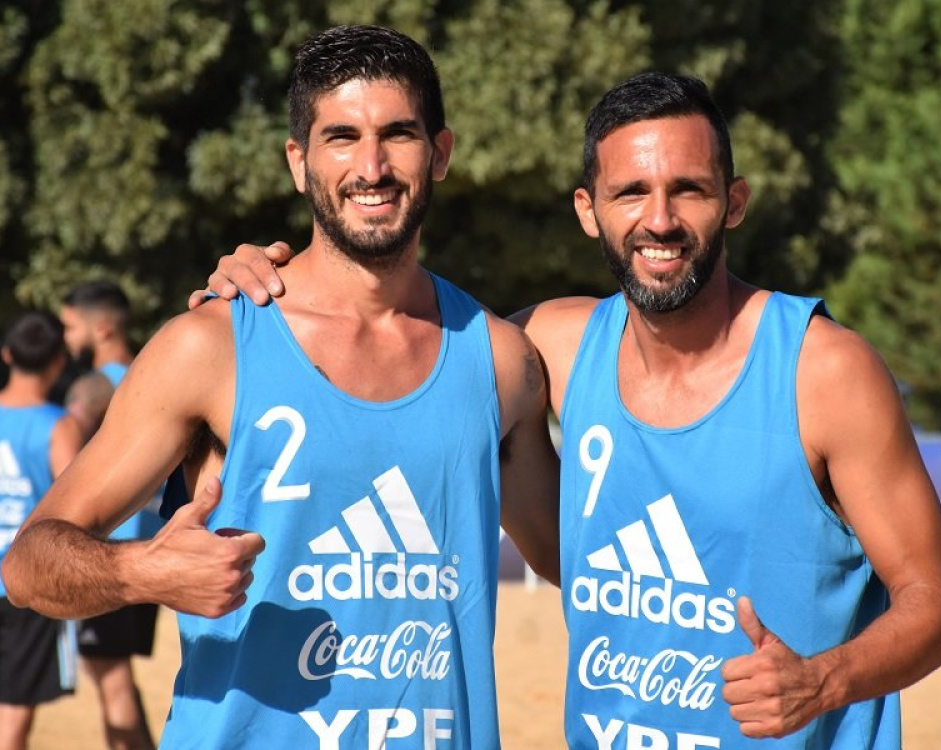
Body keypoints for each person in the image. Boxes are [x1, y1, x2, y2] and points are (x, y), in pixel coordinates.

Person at [204, 71, 941, 747]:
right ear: (588, 209)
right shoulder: (551, 347)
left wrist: (823, 682)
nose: (659, 219)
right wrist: (262, 284)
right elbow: (385, 351)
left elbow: (938, 604)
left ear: (734, 202)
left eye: (689, 189)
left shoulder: (823, 370)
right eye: (631, 192)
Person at [2, 25, 559, 749]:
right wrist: (142, 572)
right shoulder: (212, 346)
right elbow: (28, 564)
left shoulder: (501, 363)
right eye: (341, 138)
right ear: (299, 162)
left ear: (441, 153)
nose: (371, 167)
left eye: (398, 134)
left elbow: (575, 563)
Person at [60, 280, 158, 750]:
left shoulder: (96, 387)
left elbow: (63, 452)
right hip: (148, 542)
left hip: (106, 550)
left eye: (69, 327)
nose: (65, 338)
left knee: (112, 685)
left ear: (100, 329)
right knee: (119, 684)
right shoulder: (156, 372)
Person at [0, 311, 83, 750]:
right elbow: (75, 505)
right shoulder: (59, 425)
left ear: (7, 354)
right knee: (13, 715)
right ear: (58, 362)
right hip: (22, 582)